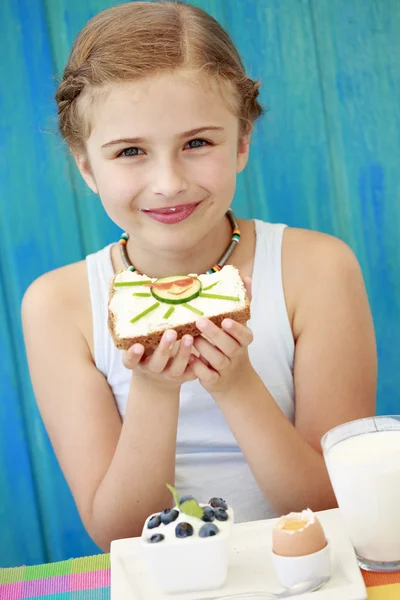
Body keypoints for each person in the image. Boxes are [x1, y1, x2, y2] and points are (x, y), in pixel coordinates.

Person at [22, 1, 377, 552]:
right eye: (131, 151)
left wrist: (236, 386)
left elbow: (333, 508)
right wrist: (154, 388)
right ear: (86, 165)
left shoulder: (318, 270)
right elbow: (116, 533)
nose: (168, 182)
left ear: (241, 142)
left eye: (197, 143)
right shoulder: (58, 306)